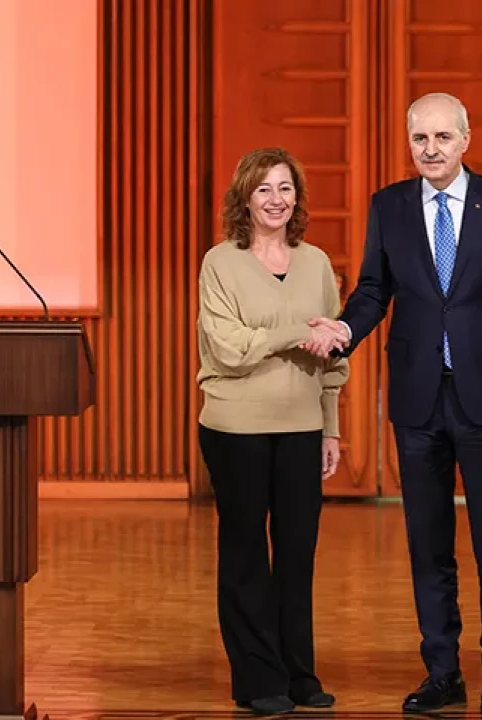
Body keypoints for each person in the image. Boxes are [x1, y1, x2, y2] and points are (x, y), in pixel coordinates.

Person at [311, 92, 482, 714]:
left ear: (466, 140)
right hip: (419, 398)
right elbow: (373, 290)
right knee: (427, 543)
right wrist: (344, 330)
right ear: (409, 143)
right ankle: (442, 671)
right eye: (420, 138)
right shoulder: (389, 205)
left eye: (444, 137)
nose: (432, 148)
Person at [196, 146, 349, 716]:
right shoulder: (220, 263)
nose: (275, 199)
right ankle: (258, 678)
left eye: (285, 188)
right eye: (263, 189)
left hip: (302, 425)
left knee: (297, 554)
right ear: (244, 198)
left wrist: (330, 428)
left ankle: (297, 673)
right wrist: (293, 332)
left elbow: (332, 355)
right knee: (245, 555)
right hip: (235, 427)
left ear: (297, 198)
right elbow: (230, 348)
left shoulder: (316, 263)